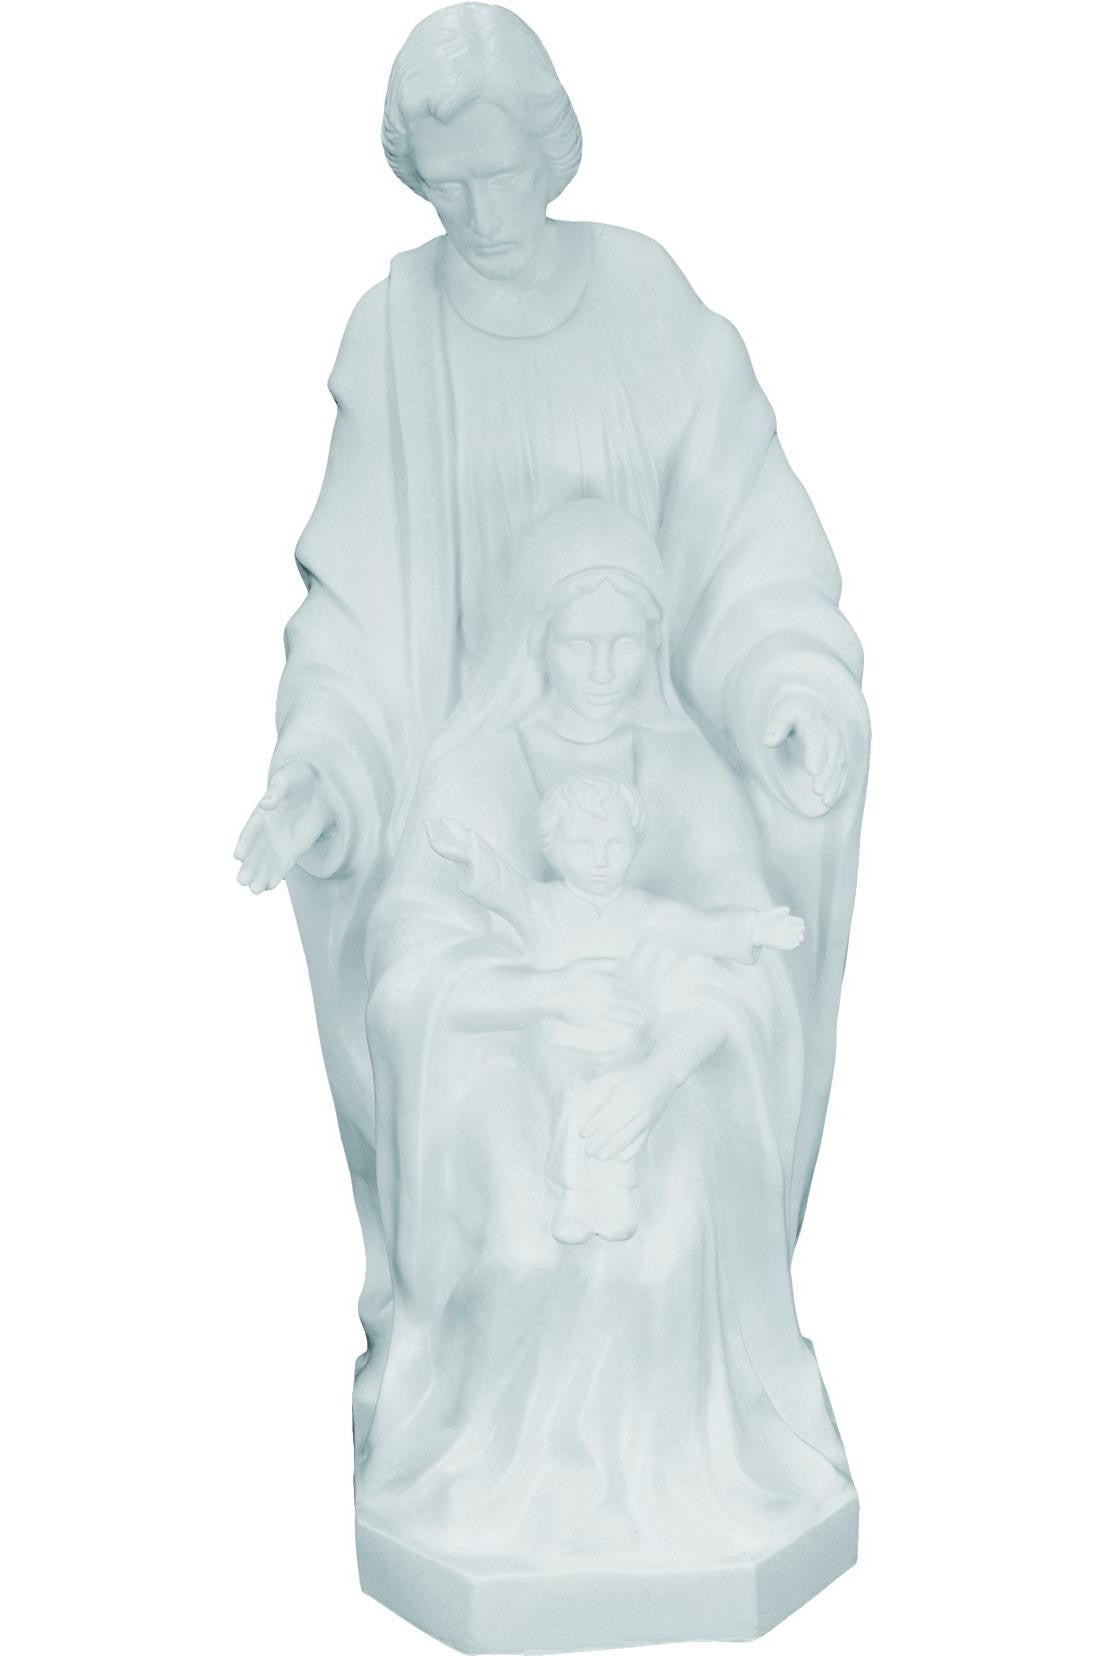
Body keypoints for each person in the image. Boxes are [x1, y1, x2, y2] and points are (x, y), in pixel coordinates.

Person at [355, 500, 856, 1566]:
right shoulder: (474, 762)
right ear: (534, 637)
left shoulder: (684, 769)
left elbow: (731, 951)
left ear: (656, 643)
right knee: (523, 1243)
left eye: (627, 643)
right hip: (501, 1067)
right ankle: (495, 1496)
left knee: (664, 1242)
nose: (603, 668)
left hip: (661, 1068)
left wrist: (658, 1070)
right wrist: (535, 999)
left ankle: (672, 1499)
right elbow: (414, 959)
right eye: (580, 642)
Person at [427, 774, 805, 1243]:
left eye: (617, 844)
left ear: (636, 845)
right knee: (575, 1098)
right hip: (561, 1043)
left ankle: (613, 1191)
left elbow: (701, 928)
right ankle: (576, 1195)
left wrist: (754, 929)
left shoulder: (645, 912)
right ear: (553, 848)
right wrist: (470, 851)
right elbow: (503, 886)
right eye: (584, 844)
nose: (602, 860)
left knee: (617, 1099)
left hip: (626, 1041)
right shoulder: (541, 905)